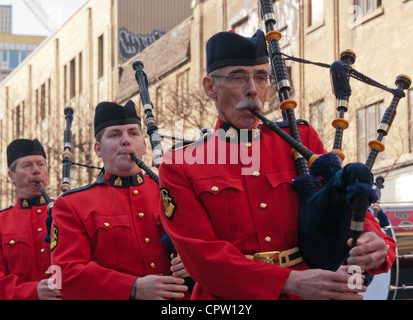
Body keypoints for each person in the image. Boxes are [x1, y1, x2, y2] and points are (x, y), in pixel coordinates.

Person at [158, 30, 396, 300]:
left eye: (261, 77)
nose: (253, 89)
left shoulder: (300, 140)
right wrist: (289, 282)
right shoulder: (180, 165)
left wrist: (374, 241)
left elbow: (340, 199)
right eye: (238, 77)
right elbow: (202, 257)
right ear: (210, 87)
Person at [50, 101, 190, 300]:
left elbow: (210, 243)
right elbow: (65, 273)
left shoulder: (172, 191)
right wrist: (133, 287)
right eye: (115, 134)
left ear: (144, 144)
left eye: (133, 133)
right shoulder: (72, 205)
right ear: (98, 149)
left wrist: (195, 262)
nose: (126, 140)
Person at [0, 138, 61, 300]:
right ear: (11, 175)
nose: (36, 171)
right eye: (27, 165)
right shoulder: (1, 223)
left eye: (41, 164)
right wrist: (33, 292)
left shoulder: (67, 213)